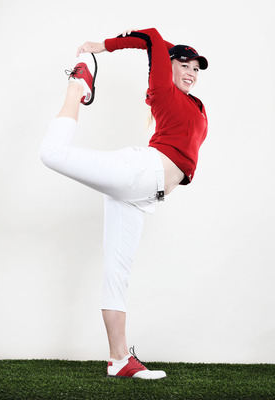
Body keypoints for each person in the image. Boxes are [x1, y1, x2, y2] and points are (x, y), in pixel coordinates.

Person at [40, 28, 208, 379]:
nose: (191, 72)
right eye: (184, 64)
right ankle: (78, 85)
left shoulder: (195, 104)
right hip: (139, 173)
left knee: (117, 275)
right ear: (169, 67)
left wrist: (170, 52)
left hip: (142, 196)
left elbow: (159, 46)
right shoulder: (162, 90)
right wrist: (101, 48)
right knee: (52, 154)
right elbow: (151, 37)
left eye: (196, 67)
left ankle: (118, 360)